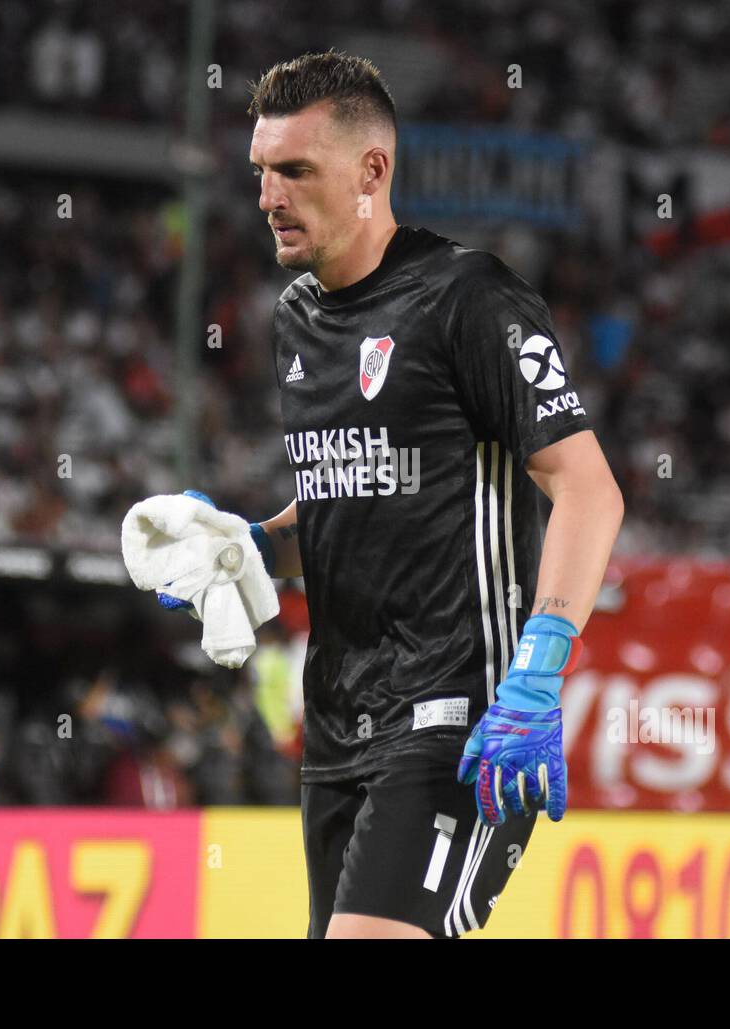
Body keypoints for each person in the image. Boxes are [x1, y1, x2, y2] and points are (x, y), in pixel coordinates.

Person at [235, 50, 624, 938]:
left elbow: (589, 491)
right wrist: (250, 549)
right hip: (337, 730)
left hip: (464, 717)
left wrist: (539, 671)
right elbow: (343, 510)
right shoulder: (295, 318)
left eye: (295, 170)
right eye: (261, 171)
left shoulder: (468, 298)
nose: (268, 196)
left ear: (374, 169)